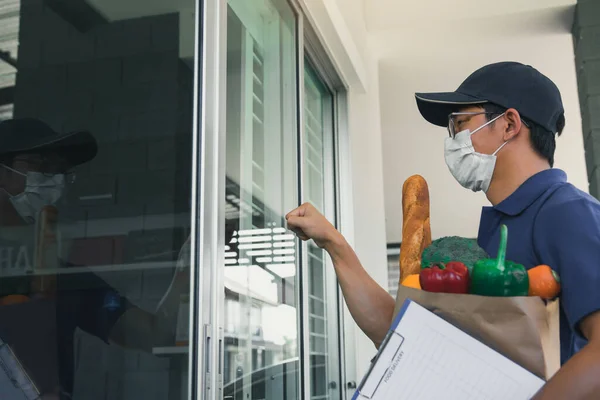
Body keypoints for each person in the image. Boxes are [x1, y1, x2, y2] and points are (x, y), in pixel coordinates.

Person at [286, 61, 600, 399]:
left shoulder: (565, 212)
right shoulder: (500, 231)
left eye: (460, 124)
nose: (453, 141)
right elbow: (407, 336)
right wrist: (334, 244)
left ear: (509, 124)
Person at [0, 118, 189, 399]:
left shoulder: (64, 279)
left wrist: (188, 267)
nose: (53, 179)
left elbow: (154, 335)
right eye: (41, 164)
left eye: (62, 171)